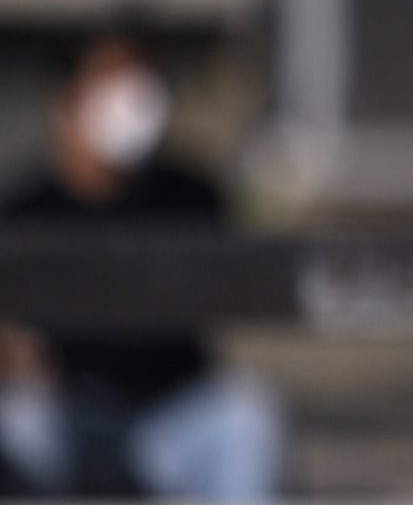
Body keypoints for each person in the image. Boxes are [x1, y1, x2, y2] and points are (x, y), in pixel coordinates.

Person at [0, 35, 284, 499]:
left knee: (247, 417)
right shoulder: (25, 212)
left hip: (174, 414)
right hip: (72, 413)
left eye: (144, 87)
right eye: (112, 87)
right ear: (69, 101)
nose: (134, 105)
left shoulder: (192, 199)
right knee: (22, 420)